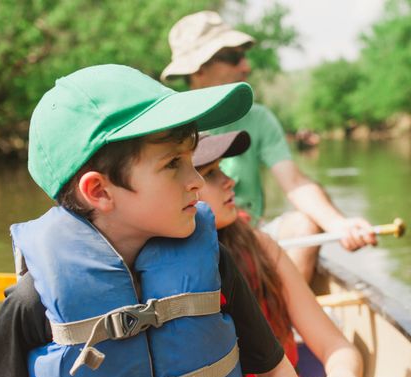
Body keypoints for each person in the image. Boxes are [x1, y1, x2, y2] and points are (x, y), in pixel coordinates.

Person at [0, 64, 316, 377]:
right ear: (100, 191)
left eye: (191, 160)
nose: (195, 181)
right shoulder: (35, 299)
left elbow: (274, 371)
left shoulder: (214, 262)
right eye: (173, 164)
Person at [192, 131, 406, 377]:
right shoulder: (151, 273)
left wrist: (343, 376)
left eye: (223, 169)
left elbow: (335, 345)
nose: (229, 181)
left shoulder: (260, 247)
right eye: (211, 174)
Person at [160, 10, 378, 283]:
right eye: (233, 57)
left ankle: (281, 319)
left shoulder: (258, 118)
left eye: (244, 56)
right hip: (193, 242)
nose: (246, 66)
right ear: (198, 69)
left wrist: (338, 224)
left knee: (304, 224)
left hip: (251, 235)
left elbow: (294, 182)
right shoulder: (168, 126)